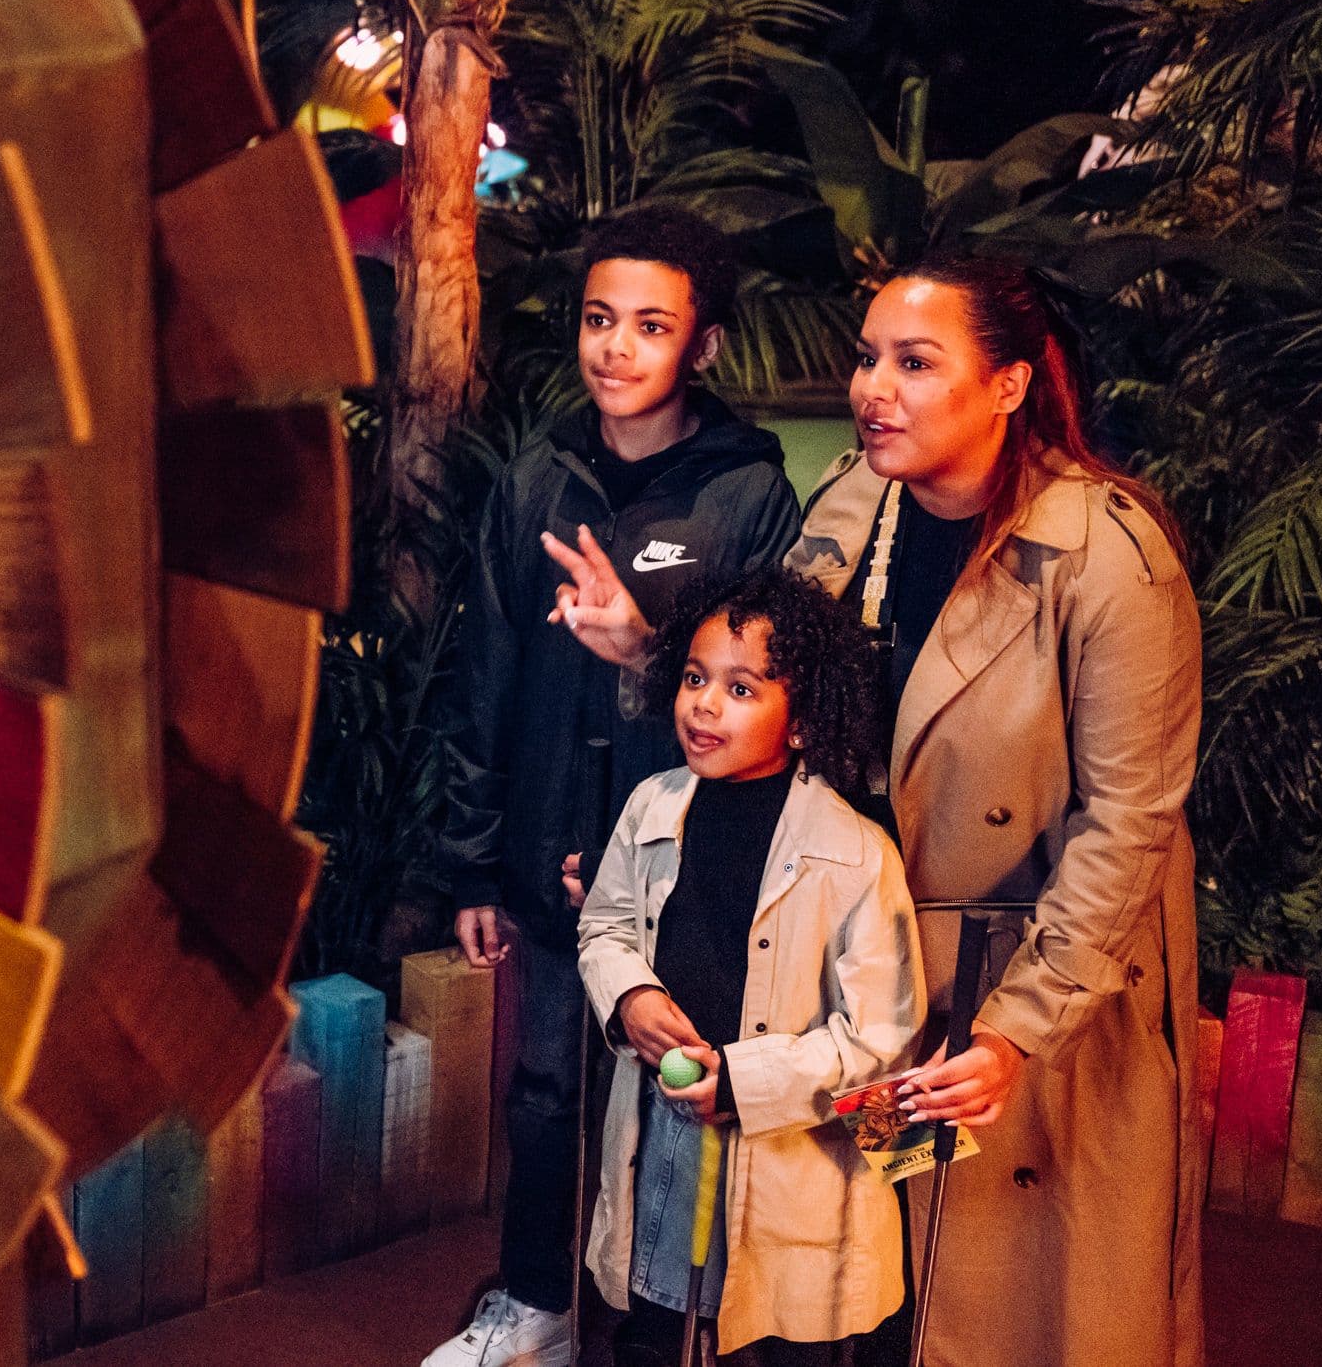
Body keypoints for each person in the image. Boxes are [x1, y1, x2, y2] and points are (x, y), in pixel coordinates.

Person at [542, 253, 1205, 1367]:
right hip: (856, 959)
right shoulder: (858, 499)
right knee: (844, 1293)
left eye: (913, 361)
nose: (872, 387)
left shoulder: (1109, 555)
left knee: (1011, 1309)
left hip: (1029, 979)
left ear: (1005, 385)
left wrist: (1013, 1030)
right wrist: (653, 672)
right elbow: (779, 691)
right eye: (865, 357)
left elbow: (1128, 825)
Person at [426, 206, 802, 1367]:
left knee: (668, 1104)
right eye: (598, 319)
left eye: (649, 323)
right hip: (548, 855)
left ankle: (657, 1329)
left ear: (702, 344)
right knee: (544, 1091)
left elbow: (772, 686)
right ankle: (533, 1302)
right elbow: (481, 670)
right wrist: (474, 859)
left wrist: (648, 645)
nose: (616, 347)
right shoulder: (537, 477)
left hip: (685, 865)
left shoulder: (743, 488)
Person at [579, 567, 924, 1365]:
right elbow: (603, 926)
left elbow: (881, 1037)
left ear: (801, 719)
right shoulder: (649, 804)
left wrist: (743, 1081)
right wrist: (628, 993)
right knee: (655, 1325)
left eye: (742, 689)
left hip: (791, 1157)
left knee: (771, 1334)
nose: (704, 703)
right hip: (668, 1132)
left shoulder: (857, 853)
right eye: (696, 678)